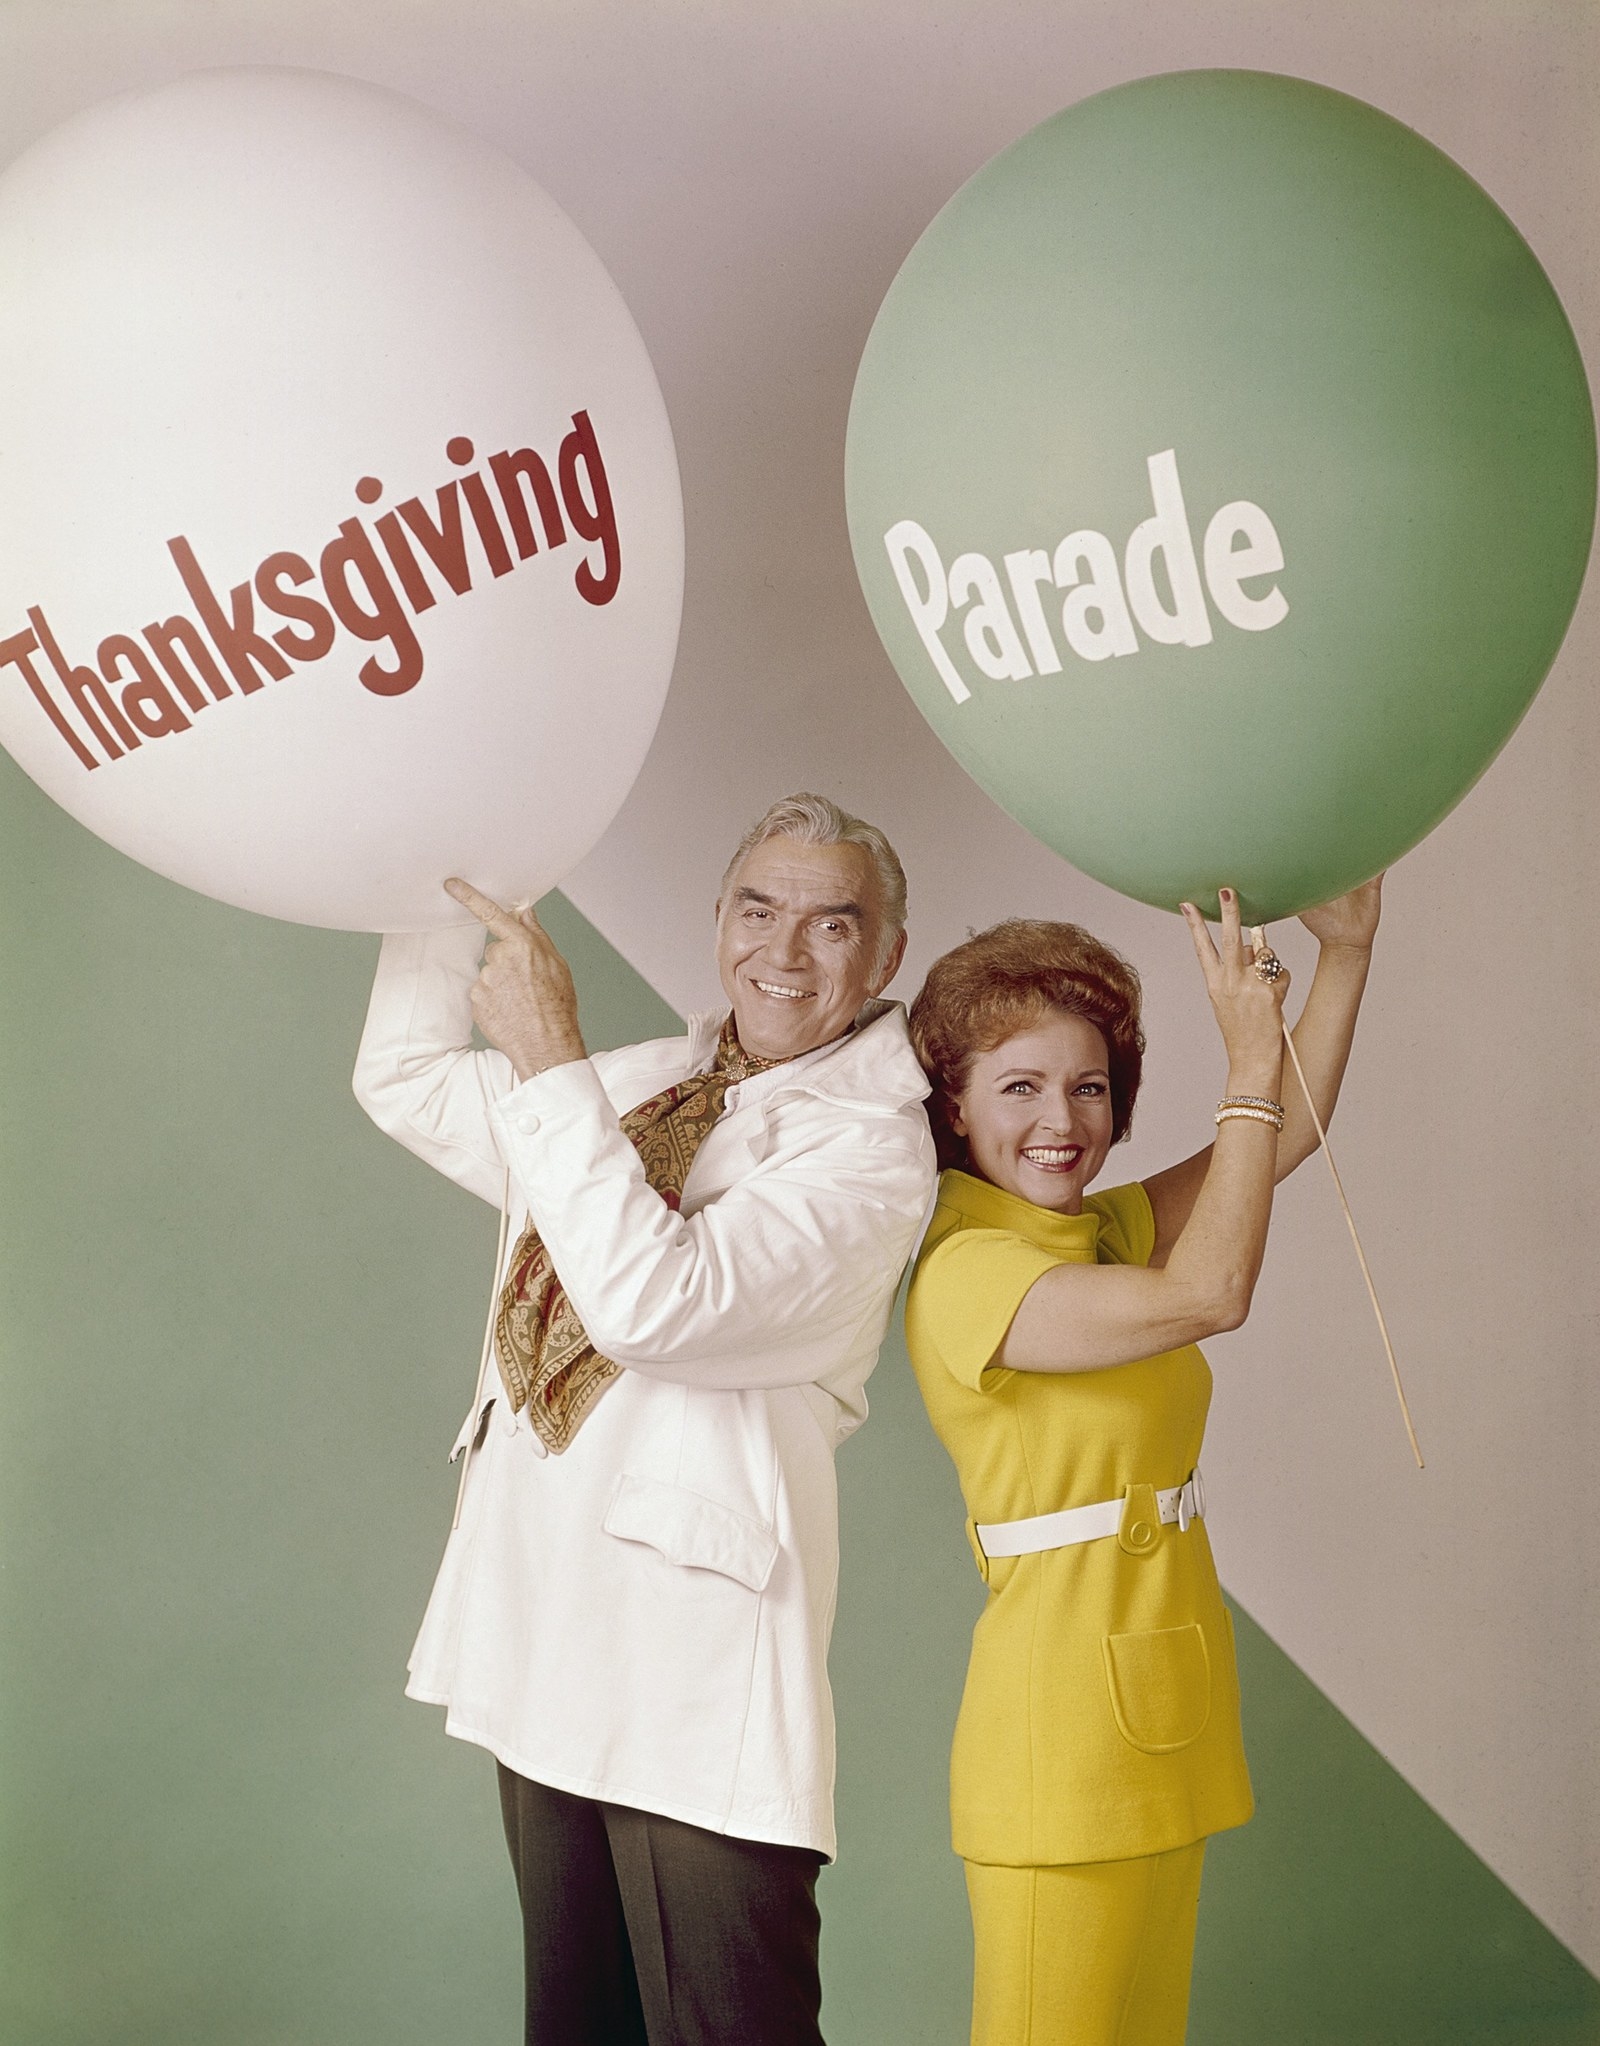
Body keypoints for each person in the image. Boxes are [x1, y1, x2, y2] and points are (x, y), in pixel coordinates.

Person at [352, 792, 936, 2046]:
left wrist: (553, 1061)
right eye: (756, 908)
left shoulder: (874, 1155)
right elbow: (401, 1076)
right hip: (544, 1630)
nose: (781, 952)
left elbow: (655, 1306)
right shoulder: (640, 1085)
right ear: (718, 921)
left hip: (689, 1667)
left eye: (832, 924)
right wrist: (452, 866)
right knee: (575, 2028)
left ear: (884, 958)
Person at [904, 881, 1383, 2046]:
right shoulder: (967, 1271)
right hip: (1055, 1750)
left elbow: (1287, 1135)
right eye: (1016, 1086)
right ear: (955, 1111)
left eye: (1088, 1085)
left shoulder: (1096, 1227)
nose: (1061, 1119)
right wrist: (1245, 1061)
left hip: (1165, 1716)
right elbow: (1210, 1293)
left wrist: (1350, 954)